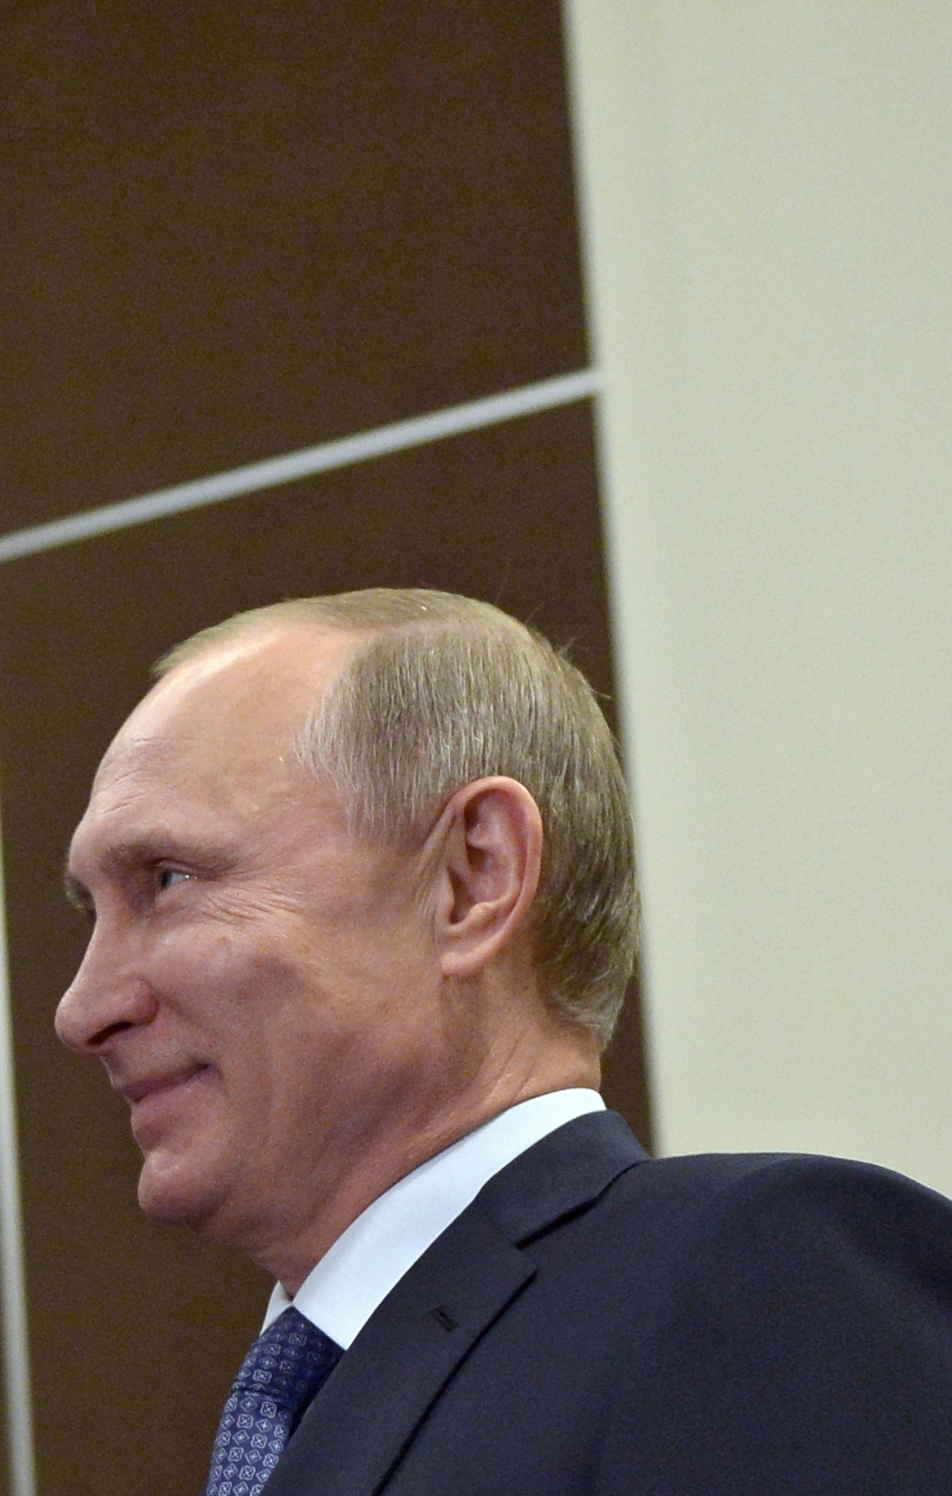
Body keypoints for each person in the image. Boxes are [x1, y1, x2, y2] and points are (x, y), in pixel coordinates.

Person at [54, 589, 952, 1496]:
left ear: (472, 879)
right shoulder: (304, 1407)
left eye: (167, 880)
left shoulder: (761, 1280)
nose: (82, 1010)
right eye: (93, 913)